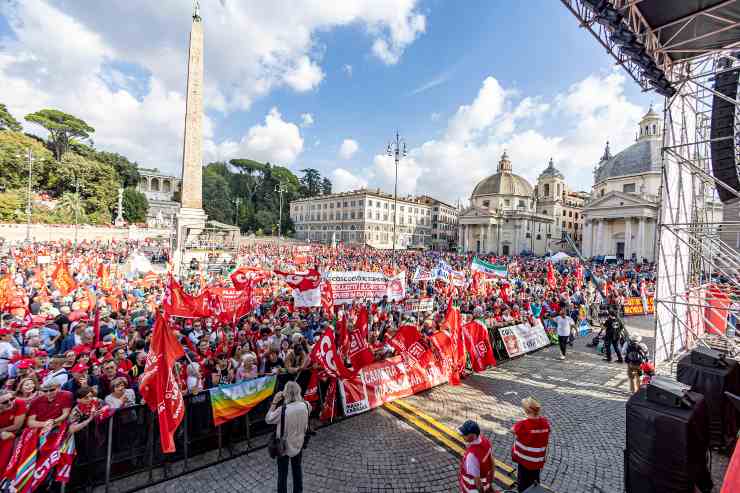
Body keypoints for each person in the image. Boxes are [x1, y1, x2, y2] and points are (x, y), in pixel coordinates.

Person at [265, 381, 309, 493]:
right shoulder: (306, 405)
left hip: (283, 446)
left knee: (282, 473)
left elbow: (268, 419)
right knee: (297, 469)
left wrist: (274, 402)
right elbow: (305, 405)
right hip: (299, 442)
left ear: (285, 394)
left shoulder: (283, 410)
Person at [511, 397, 551, 493]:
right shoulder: (545, 422)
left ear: (526, 410)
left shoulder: (523, 424)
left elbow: (512, 430)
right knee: (535, 479)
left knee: (522, 483)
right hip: (537, 460)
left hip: (524, 461)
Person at [458, 420, 494, 493]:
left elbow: (477, 482)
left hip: (471, 489)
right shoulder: (486, 441)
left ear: (473, 436)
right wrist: (490, 483)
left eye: (465, 434)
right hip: (486, 482)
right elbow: (492, 463)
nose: (462, 436)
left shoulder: (471, 456)